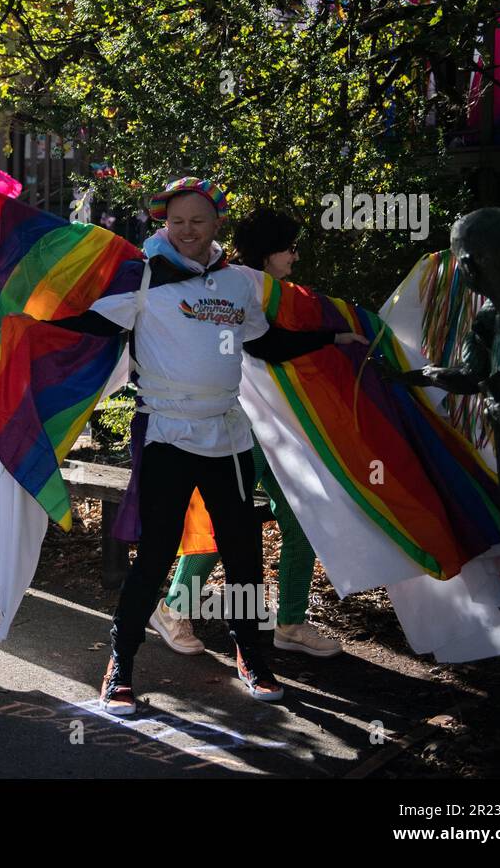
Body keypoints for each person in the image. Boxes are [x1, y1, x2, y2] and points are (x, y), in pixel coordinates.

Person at [51, 178, 368, 713]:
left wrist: (332, 338)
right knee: (153, 558)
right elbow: (86, 325)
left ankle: (252, 657)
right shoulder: (144, 277)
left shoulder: (239, 283)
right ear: (163, 224)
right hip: (167, 436)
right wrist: (27, 324)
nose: (187, 231)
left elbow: (265, 343)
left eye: (198, 220)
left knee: (244, 557)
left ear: (217, 222)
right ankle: (120, 666)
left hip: (227, 438)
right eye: (176, 222)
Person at [154, 209, 342, 659]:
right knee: (226, 523)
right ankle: (174, 607)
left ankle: (291, 620)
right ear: (268, 250)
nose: (295, 255)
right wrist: (331, 340)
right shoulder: (238, 283)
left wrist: (334, 340)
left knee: (302, 519)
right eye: (289, 247)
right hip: (242, 425)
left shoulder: (278, 293)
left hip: (280, 429)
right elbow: (263, 347)